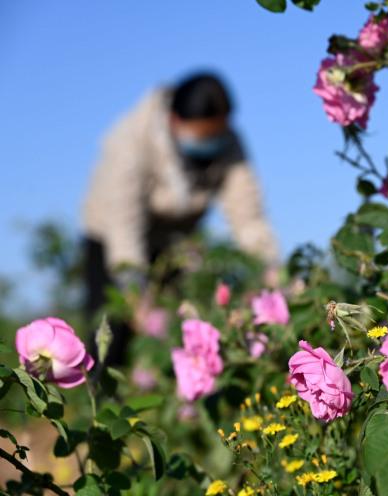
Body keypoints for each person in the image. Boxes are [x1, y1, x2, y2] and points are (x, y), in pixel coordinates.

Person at [82, 72, 278, 360]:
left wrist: (271, 279)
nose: (211, 143)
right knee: (112, 336)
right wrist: (137, 297)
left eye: (217, 134)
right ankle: (101, 395)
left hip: (173, 241)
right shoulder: (131, 140)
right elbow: (124, 228)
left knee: (179, 329)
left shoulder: (229, 143)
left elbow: (248, 215)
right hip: (111, 238)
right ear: (175, 120)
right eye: (203, 136)